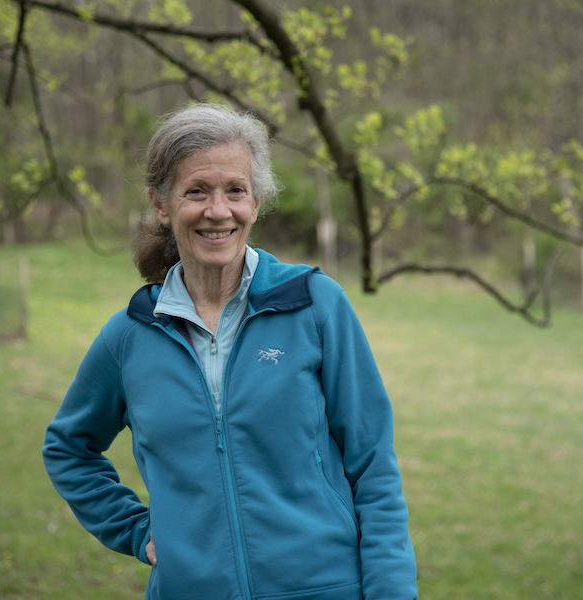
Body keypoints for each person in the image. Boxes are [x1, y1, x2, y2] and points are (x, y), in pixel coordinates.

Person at [43, 102, 418, 600]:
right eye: (196, 191)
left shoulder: (315, 305)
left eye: (235, 191)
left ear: (256, 201)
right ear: (161, 204)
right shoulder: (130, 337)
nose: (218, 211)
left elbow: (372, 462)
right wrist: (135, 531)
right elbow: (69, 448)